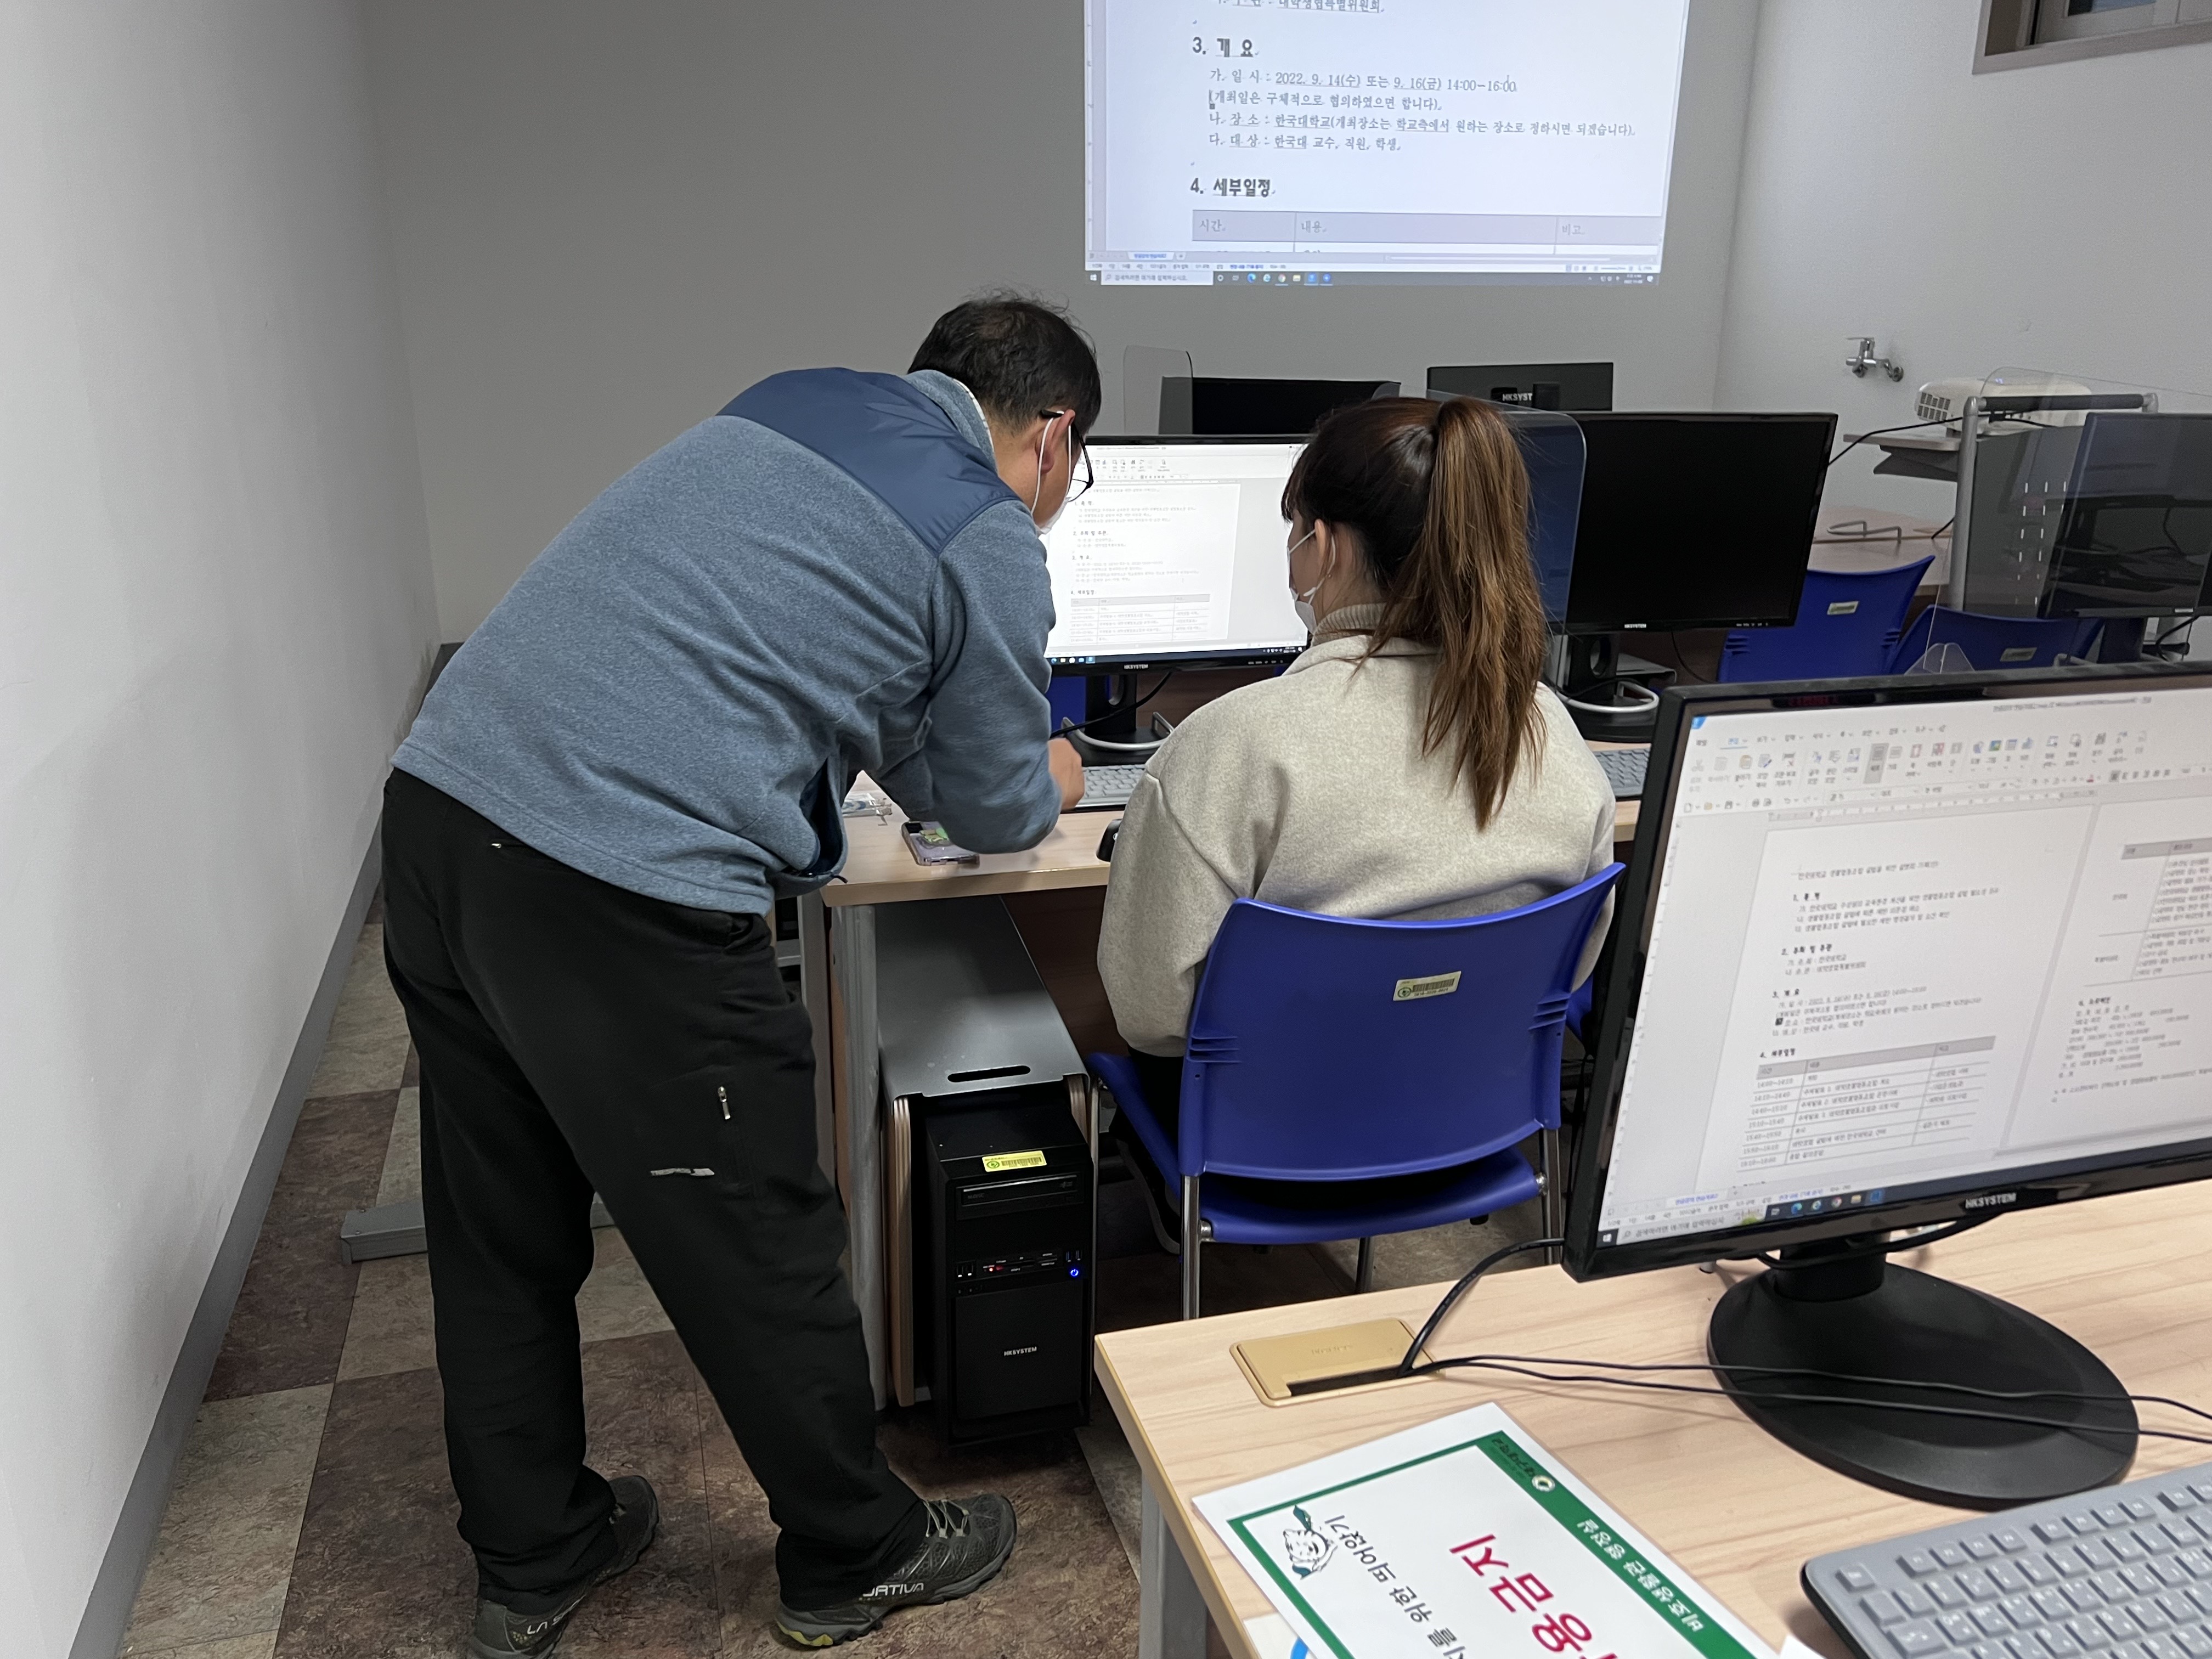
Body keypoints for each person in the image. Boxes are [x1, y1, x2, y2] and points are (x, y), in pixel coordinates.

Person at [379, 292, 1096, 1655]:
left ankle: (535, 1551)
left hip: (444, 811)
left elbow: (828, 676)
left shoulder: (793, 401)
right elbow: (1000, 807)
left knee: (499, 1225)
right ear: (1054, 437)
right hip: (620, 877)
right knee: (757, 1229)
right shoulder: (982, 525)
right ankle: (857, 1552)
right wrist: (1059, 770)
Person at [1096, 396, 1616, 1228]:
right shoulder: (1548, 728)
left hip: (1264, 1151)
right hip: (1470, 1128)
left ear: (1326, 545)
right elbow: (1574, 967)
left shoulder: (1229, 744)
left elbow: (1153, 1013)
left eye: (1294, 529)